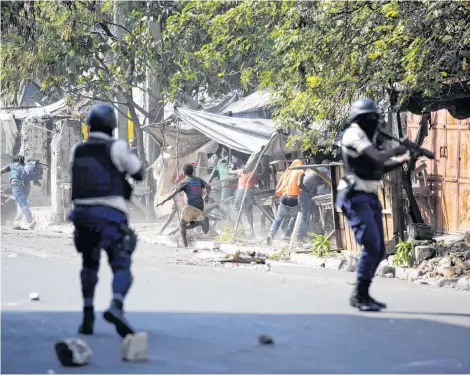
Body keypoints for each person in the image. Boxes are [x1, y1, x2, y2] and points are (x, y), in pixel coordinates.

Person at [69, 103, 145, 337]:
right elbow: (139, 173)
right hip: (111, 214)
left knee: (89, 265)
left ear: (89, 127)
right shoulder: (118, 147)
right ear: (112, 128)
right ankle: (116, 305)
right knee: (121, 264)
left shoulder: (77, 150)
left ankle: (87, 315)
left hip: (82, 215)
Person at [336, 98, 410, 312]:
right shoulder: (354, 133)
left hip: (369, 196)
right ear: (358, 119)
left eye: (374, 118)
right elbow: (377, 158)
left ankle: (363, 294)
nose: (372, 122)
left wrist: (403, 159)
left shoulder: (369, 139)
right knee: (372, 244)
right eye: (368, 118)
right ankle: (358, 295)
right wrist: (397, 151)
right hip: (354, 196)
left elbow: (378, 168)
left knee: (379, 250)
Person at [157, 164, 211, 248]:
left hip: (191, 206)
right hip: (200, 207)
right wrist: (207, 196)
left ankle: (185, 246)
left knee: (181, 225)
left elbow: (173, 193)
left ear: (183, 172)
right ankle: (201, 223)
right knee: (189, 223)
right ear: (192, 171)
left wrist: (164, 201)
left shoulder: (184, 182)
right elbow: (208, 186)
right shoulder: (199, 179)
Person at [267, 159, 304, 244]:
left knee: (278, 219)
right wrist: (308, 191)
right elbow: (300, 184)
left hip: (283, 197)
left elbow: (277, 186)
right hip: (293, 199)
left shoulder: (287, 172)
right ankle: (287, 235)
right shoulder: (300, 171)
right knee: (294, 217)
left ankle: (271, 235)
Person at [1, 155, 37, 229]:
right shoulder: (26, 166)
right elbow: (32, 176)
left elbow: (1, 171)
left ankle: (30, 220)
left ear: (15, 160)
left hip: (17, 187)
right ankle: (19, 220)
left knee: (23, 204)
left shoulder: (12, 165)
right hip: (26, 188)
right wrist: (37, 182)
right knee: (21, 203)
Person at [232, 165, 261, 236]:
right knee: (248, 210)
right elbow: (259, 178)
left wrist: (232, 167)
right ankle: (252, 232)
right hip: (250, 191)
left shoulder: (241, 171)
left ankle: (241, 231)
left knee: (237, 209)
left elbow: (229, 172)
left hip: (241, 190)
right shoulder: (253, 173)